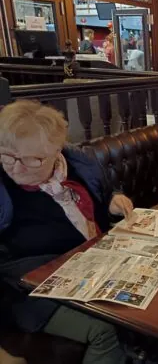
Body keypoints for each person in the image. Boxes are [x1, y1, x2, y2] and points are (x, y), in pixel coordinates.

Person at [0, 101, 133, 364]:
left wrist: (112, 199)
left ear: (56, 152)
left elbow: (104, 189)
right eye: (7, 157)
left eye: (33, 160)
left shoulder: (77, 164)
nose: (16, 168)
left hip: (96, 267)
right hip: (28, 291)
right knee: (106, 330)